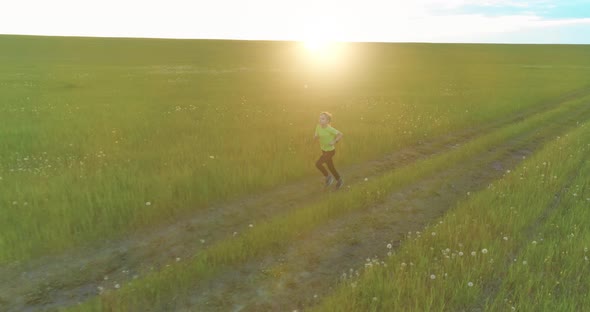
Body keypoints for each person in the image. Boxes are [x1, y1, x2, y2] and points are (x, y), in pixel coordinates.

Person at [314, 112, 344, 189]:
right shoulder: (318, 126)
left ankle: (328, 177)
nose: (320, 120)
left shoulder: (330, 129)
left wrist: (334, 141)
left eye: (323, 119)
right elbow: (316, 135)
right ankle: (339, 180)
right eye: (320, 118)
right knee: (331, 167)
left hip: (330, 151)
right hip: (324, 150)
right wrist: (316, 136)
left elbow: (340, 134)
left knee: (318, 164)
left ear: (328, 121)